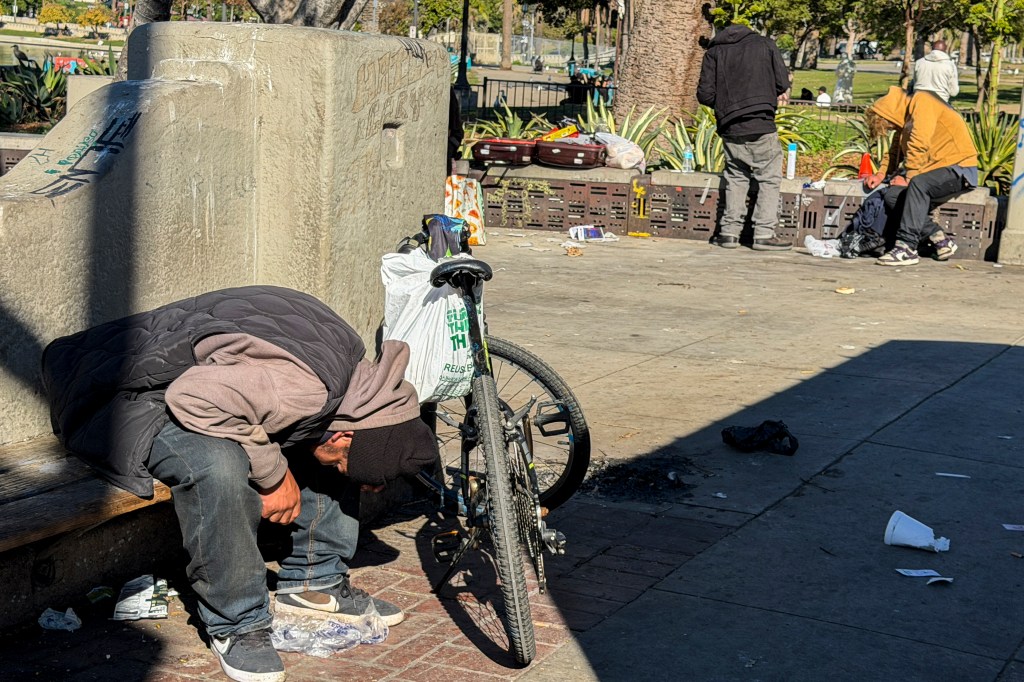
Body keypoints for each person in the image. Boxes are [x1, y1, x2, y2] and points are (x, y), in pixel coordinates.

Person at [41, 285, 439, 682]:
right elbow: (191, 397)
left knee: (314, 434)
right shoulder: (303, 387)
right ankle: (238, 623)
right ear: (345, 438)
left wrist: (324, 463)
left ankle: (315, 581)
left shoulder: (350, 380)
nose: (340, 471)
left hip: (191, 383)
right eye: (344, 459)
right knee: (220, 462)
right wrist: (274, 476)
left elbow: (290, 412)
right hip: (115, 393)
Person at [697, 21, 792, 250]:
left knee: (736, 177)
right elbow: (781, 82)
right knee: (769, 178)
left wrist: (726, 104)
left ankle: (729, 233)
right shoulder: (765, 44)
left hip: (730, 125)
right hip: (761, 122)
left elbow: (704, 94)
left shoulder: (714, 51)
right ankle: (763, 233)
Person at [862, 86, 978, 265]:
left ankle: (906, 248)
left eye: (890, 125)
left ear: (890, 114)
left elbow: (919, 142)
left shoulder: (922, 101)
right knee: (892, 195)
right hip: (934, 171)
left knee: (918, 183)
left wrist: (908, 178)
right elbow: (895, 153)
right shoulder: (905, 117)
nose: (893, 128)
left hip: (959, 168)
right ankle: (939, 238)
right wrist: (880, 174)